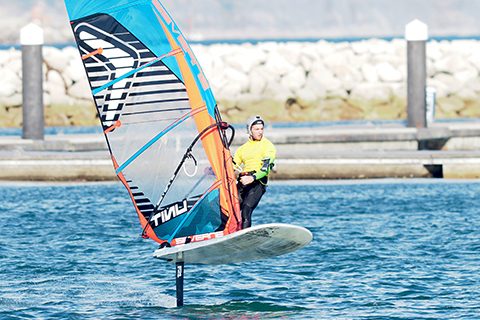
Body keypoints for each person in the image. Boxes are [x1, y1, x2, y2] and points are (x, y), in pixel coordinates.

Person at [233, 115, 276, 229]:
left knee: (246, 210)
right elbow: (232, 165)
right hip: (243, 182)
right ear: (249, 130)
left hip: (257, 183)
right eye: (256, 129)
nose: (260, 132)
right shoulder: (242, 149)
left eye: (261, 129)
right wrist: (213, 171)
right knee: (230, 209)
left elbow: (265, 168)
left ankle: (244, 240)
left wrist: (252, 178)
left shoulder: (268, 146)